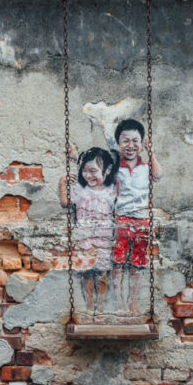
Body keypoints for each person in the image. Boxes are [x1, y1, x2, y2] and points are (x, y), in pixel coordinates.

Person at [109, 119, 163, 314]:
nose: (130, 146)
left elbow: (158, 175)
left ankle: (133, 300)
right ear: (117, 144)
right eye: (125, 141)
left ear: (142, 144)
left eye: (135, 141)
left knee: (138, 261)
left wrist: (151, 152)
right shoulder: (116, 169)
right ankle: (118, 299)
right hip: (121, 218)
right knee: (118, 260)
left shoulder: (146, 167)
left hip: (142, 220)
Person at [58, 146, 118, 313]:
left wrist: (76, 156)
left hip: (104, 240)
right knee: (86, 273)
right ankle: (89, 306)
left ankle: (100, 306)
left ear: (106, 171)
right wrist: (62, 184)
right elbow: (65, 203)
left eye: (93, 171)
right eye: (85, 171)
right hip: (84, 239)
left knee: (102, 274)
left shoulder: (111, 190)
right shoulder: (79, 189)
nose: (88, 175)